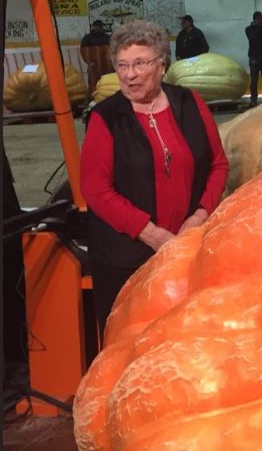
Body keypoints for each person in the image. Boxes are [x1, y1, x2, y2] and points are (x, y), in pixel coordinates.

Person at [80, 20, 229, 337]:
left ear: (162, 65)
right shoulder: (104, 118)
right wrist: (152, 235)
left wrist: (201, 215)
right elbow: (95, 190)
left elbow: (218, 164)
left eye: (139, 64)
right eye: (122, 65)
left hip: (188, 248)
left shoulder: (191, 103)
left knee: (185, 339)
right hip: (127, 260)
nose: (129, 74)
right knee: (130, 344)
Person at [245, 11, 262, 105]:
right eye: (258, 19)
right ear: (254, 20)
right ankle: (253, 98)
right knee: (253, 80)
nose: (260, 21)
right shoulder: (248, 29)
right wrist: (258, 29)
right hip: (254, 58)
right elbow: (252, 38)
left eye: (261, 19)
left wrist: (259, 40)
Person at [80, 20, 112, 96]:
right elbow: (83, 52)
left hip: (107, 65)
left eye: (101, 27)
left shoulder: (108, 37)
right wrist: (89, 62)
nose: (99, 28)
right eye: (97, 27)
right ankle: (92, 99)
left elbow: (113, 49)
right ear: (94, 27)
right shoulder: (87, 38)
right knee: (93, 83)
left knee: (108, 83)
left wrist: (111, 62)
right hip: (94, 66)